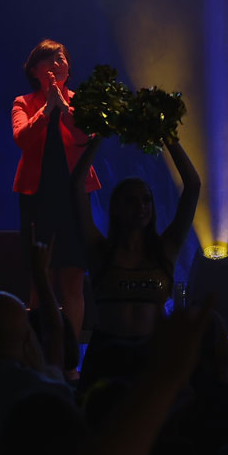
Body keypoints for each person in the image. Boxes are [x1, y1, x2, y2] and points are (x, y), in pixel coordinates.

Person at [71, 133, 202, 344]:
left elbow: (193, 186)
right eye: (131, 201)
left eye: (146, 200)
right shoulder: (99, 251)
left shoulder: (165, 250)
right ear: (116, 208)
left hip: (151, 363)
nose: (141, 207)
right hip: (107, 361)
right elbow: (76, 186)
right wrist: (97, 136)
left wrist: (168, 135)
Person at [11, 39, 97, 339]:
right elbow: (21, 138)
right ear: (35, 70)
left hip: (74, 197)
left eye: (60, 58)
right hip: (38, 197)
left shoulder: (81, 100)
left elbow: (87, 137)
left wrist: (64, 107)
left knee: (73, 278)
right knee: (40, 278)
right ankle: (40, 352)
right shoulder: (23, 102)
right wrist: (47, 109)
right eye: (48, 60)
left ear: (68, 67)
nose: (56, 64)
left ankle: (71, 357)